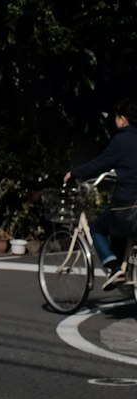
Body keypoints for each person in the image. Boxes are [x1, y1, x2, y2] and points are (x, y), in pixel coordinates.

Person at [66, 96, 137, 290]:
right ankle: (123, 272)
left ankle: (114, 269)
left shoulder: (121, 140)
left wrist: (74, 173)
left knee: (97, 227)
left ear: (122, 119)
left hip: (129, 207)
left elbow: (99, 164)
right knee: (119, 230)